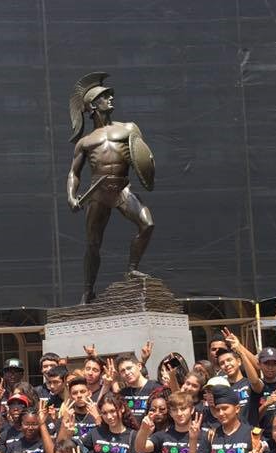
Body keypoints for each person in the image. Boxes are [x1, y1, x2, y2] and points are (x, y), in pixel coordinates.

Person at [67, 74, 155, 303]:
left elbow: (142, 155)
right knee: (93, 243)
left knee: (147, 224)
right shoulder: (85, 142)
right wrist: (71, 196)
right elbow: (74, 173)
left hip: (122, 188)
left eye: (110, 95)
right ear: (94, 105)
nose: (111, 98)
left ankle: (132, 269)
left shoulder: (128, 128)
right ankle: (88, 290)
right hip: (98, 192)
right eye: (105, 96)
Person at [115, 352, 161, 428]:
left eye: (129, 368)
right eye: (122, 371)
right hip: (130, 437)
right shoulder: (122, 393)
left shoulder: (156, 388)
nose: (126, 373)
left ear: (139, 366)